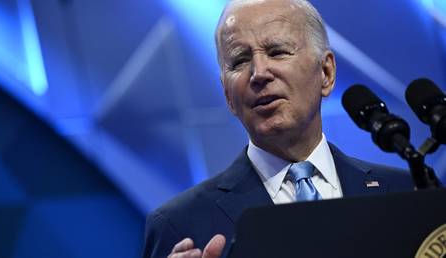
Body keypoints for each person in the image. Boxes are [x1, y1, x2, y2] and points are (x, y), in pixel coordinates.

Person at [142, 0, 413, 257]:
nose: (259, 73)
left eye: (277, 52)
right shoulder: (179, 225)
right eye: (239, 61)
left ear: (326, 73)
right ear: (227, 95)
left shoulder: (407, 193)